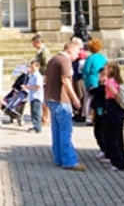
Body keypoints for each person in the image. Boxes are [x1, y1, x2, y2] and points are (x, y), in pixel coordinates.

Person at [45, 41, 84, 171]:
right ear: (69, 50)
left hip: (50, 98)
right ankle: (69, 161)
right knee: (65, 131)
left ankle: (58, 158)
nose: (77, 55)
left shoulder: (53, 60)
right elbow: (66, 81)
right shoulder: (65, 61)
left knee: (56, 131)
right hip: (61, 100)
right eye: (77, 52)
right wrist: (75, 98)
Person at [99, 62, 124, 171]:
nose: (104, 70)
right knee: (118, 137)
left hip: (112, 109)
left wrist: (119, 99)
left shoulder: (109, 82)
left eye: (106, 68)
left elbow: (115, 94)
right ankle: (120, 160)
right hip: (119, 111)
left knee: (112, 137)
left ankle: (117, 162)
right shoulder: (117, 81)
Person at [80, 39, 107, 122]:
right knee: (99, 99)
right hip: (101, 80)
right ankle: (97, 116)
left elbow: (86, 70)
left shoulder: (90, 58)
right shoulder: (103, 58)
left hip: (91, 80)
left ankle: (88, 116)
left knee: (88, 99)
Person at [30, 34, 52, 124]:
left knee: (44, 98)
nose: (33, 46)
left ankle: (47, 117)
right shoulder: (39, 51)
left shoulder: (44, 52)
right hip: (40, 75)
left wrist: (45, 76)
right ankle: (44, 116)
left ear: (39, 42)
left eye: (34, 44)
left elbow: (47, 65)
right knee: (42, 98)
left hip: (44, 76)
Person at [22, 59, 44, 133]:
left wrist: (28, 87)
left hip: (37, 97)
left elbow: (38, 86)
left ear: (38, 67)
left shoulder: (38, 76)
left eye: (33, 67)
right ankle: (35, 125)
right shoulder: (32, 75)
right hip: (32, 96)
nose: (31, 68)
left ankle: (37, 127)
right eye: (30, 67)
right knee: (33, 112)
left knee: (36, 112)